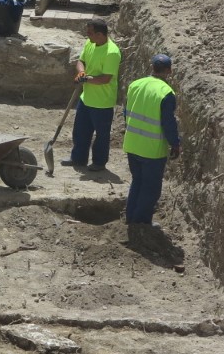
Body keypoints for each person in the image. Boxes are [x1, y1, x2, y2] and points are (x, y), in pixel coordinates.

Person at [122, 54, 182, 231]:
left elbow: (126, 112)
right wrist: (175, 143)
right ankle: (141, 224)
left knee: (137, 181)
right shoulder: (166, 93)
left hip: (132, 144)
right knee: (151, 189)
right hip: (152, 150)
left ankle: (131, 218)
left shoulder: (135, 84)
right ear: (169, 71)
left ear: (152, 67)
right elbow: (168, 123)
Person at [61, 18, 121, 172]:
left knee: (101, 136)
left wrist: (86, 79)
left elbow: (105, 79)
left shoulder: (112, 52)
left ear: (100, 34)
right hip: (86, 98)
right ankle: (78, 158)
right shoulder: (91, 43)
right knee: (80, 131)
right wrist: (81, 72)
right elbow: (81, 61)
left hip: (102, 102)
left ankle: (99, 163)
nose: (87, 35)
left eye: (90, 33)